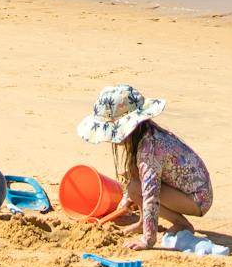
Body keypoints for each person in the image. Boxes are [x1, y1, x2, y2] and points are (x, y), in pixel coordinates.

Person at [76, 84, 211, 247]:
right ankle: (142, 222)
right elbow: (137, 178)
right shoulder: (146, 135)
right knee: (132, 182)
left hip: (198, 198)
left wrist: (148, 239)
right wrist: (127, 200)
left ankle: (182, 224)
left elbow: (150, 195)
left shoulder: (150, 149)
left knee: (136, 188)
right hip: (186, 190)